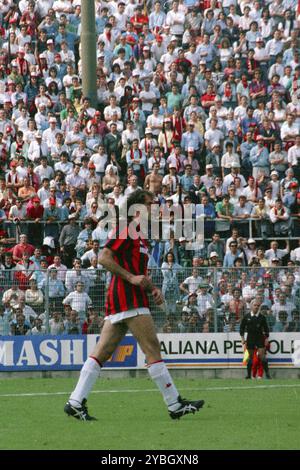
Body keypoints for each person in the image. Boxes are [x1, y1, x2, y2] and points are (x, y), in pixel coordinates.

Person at [64, 190, 204, 420]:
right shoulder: (127, 228)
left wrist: (152, 289)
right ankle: (174, 404)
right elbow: (104, 257)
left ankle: (75, 401)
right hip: (127, 297)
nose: (155, 208)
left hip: (126, 297)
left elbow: (137, 272)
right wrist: (132, 279)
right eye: (151, 204)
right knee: (152, 348)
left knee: (103, 351)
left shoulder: (140, 234)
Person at [240, 299, 271, 380]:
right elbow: (241, 329)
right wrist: (242, 338)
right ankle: (248, 375)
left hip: (259, 338)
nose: (256, 307)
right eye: (255, 305)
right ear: (251, 306)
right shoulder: (246, 317)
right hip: (250, 338)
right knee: (250, 358)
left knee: (262, 357)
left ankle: (267, 374)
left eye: (258, 306)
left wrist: (266, 338)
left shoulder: (262, 317)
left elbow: (266, 329)